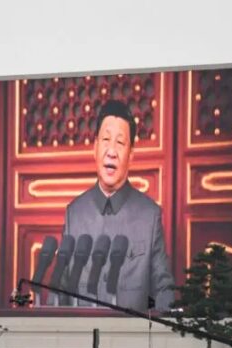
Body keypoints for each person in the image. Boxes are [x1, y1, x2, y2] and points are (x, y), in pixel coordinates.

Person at [60, 99, 175, 311]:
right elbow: (61, 290)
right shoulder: (74, 214)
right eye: (105, 140)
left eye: (120, 143)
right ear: (95, 148)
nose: (111, 151)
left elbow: (163, 289)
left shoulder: (150, 216)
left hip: (132, 341)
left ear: (131, 155)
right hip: (85, 340)